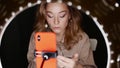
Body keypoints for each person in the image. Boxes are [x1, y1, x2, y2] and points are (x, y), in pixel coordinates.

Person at [27, 0, 97, 68]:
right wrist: (37, 64)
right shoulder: (36, 36)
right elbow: (30, 63)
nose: (56, 22)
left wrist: (77, 66)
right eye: (50, 16)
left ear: (70, 15)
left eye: (62, 15)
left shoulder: (82, 38)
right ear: (45, 16)